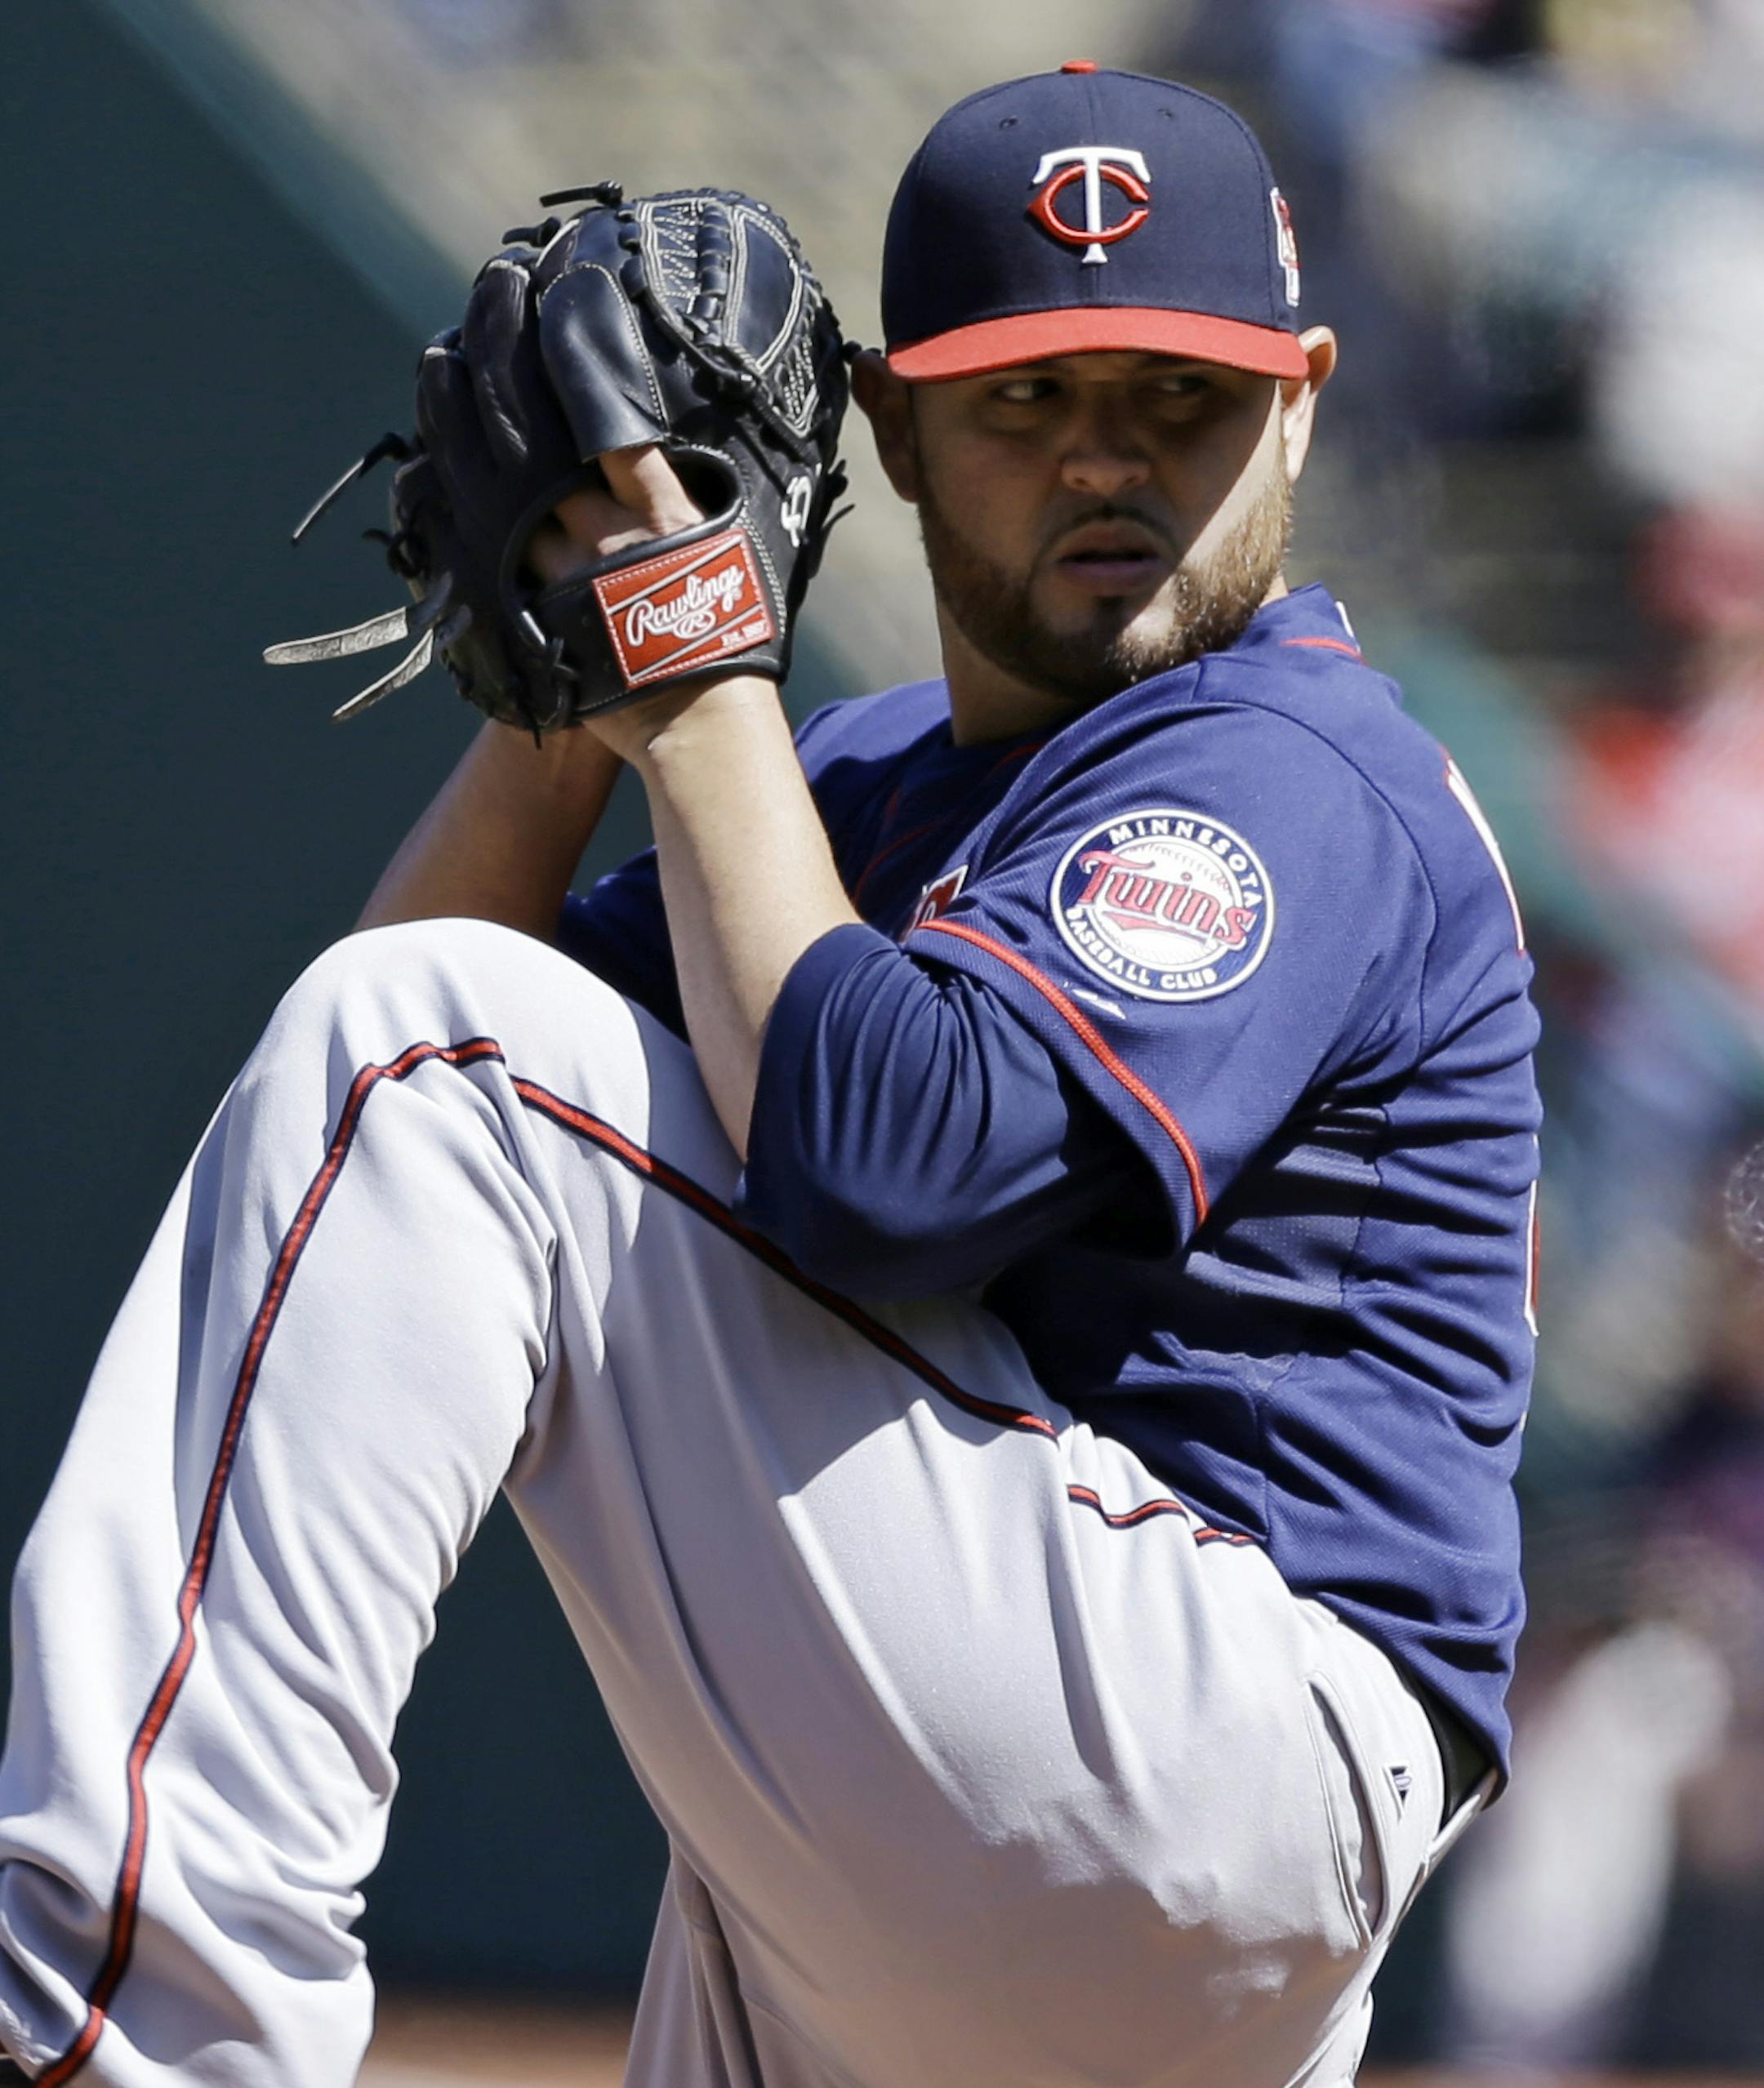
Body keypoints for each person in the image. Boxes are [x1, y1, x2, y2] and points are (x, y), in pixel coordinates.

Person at [0, 64, 1539, 2088]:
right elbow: (391, 1134)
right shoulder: (856, 792)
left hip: (1213, 1723)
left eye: (1181, 395)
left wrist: (699, 667)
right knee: (431, 1057)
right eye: (1028, 399)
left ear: (1303, 399)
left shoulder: (1289, 762)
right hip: (1005, 1821)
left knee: (434, 1069)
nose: (1112, 461)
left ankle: (127, 2043)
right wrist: (581, 678)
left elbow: (883, 1161)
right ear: (893, 431)